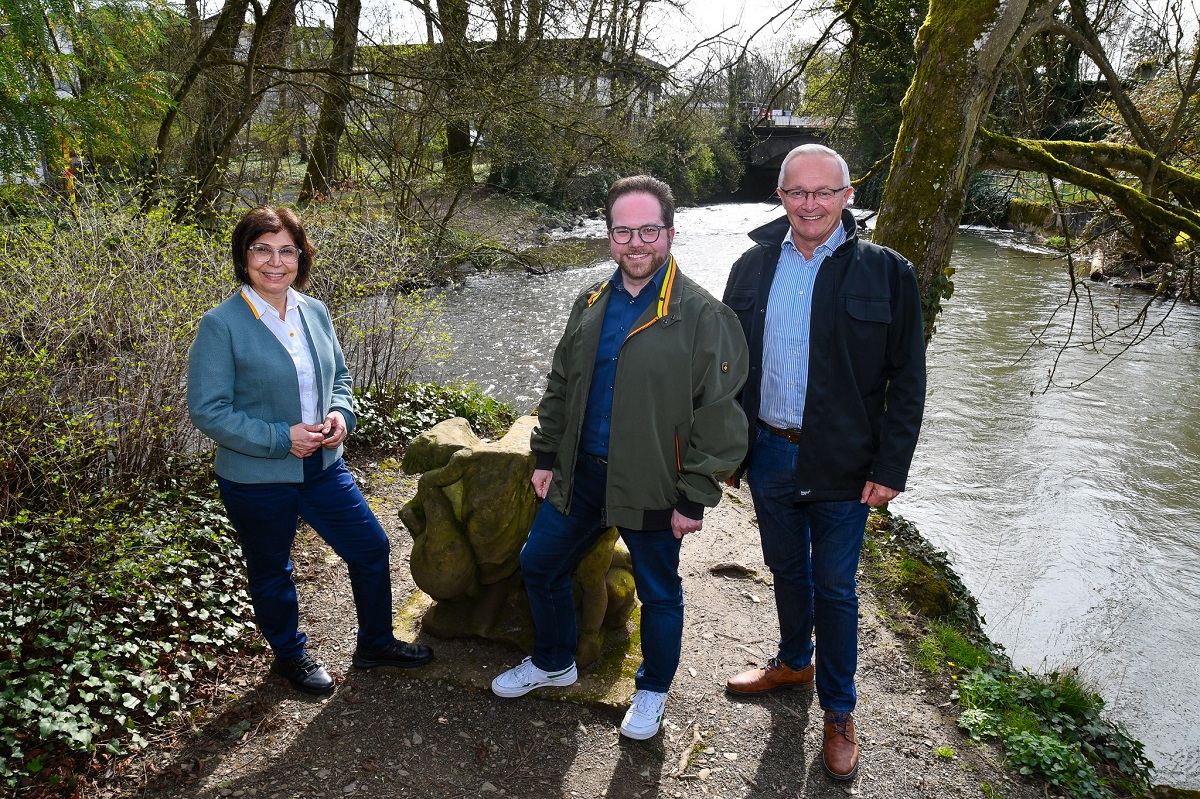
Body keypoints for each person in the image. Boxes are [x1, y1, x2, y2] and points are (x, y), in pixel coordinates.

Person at [490, 175, 749, 740]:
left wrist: (696, 495)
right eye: (624, 231)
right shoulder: (590, 303)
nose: (637, 243)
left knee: (660, 593)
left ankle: (653, 688)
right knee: (540, 564)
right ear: (609, 237)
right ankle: (555, 661)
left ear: (670, 232)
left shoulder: (705, 317)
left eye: (649, 230)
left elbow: (722, 419)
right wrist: (546, 455)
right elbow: (561, 386)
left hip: (656, 483)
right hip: (583, 474)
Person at [721, 145, 926, 780]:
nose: (810, 203)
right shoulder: (752, 268)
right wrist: (729, 450)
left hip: (843, 462)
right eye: (796, 192)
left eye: (823, 192)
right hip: (771, 451)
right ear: (780, 197)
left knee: (835, 587)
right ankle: (793, 660)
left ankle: (839, 711)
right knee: (784, 566)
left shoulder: (888, 273)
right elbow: (729, 368)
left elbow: (908, 378)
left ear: (847, 197)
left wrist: (891, 468)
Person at [187, 206, 433, 696]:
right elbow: (208, 411)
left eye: (286, 251)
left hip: (323, 468)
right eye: (262, 249)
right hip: (256, 479)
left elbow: (339, 379)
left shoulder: (314, 312)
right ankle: (290, 657)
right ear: (243, 255)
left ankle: (375, 644)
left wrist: (343, 414)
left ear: (300, 257)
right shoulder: (221, 325)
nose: (274, 262)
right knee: (272, 568)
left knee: (370, 548)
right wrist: (283, 438)